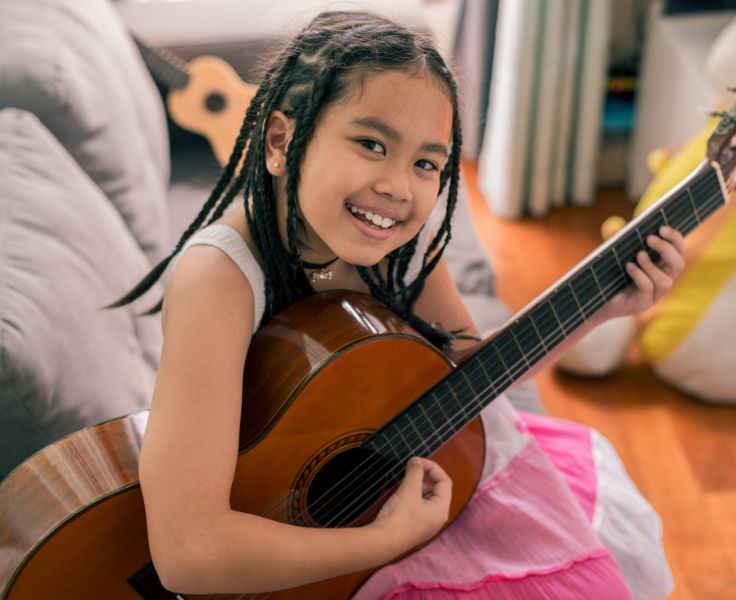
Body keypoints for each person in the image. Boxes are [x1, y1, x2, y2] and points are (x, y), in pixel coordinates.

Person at [114, 10, 684, 598]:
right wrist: (385, 540)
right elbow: (188, 554)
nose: (398, 187)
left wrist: (601, 308)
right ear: (282, 141)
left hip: (419, 489)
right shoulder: (219, 278)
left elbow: (470, 373)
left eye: (425, 163)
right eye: (371, 143)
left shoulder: (391, 239)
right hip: (320, 548)